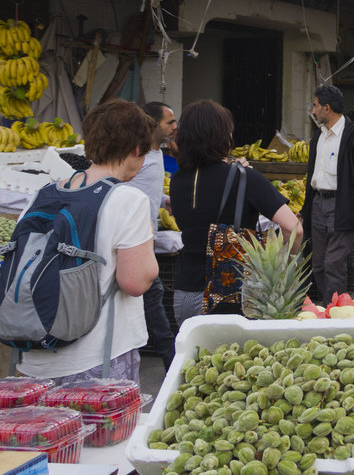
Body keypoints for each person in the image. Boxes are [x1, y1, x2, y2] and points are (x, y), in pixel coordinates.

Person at [17, 99, 158, 384]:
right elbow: (134, 282)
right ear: (135, 150)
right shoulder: (128, 199)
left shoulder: (43, 194)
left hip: (31, 359)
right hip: (95, 360)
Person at [169, 100, 301, 325]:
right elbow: (294, 229)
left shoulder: (177, 180)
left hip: (183, 294)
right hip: (228, 296)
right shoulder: (244, 178)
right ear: (223, 136)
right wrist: (282, 265)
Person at [302, 85, 354, 301]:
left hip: (342, 205)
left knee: (334, 263)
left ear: (327, 108)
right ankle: (330, 303)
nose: (313, 111)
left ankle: (337, 311)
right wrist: (305, 209)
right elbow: (312, 175)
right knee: (318, 263)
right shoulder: (318, 136)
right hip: (318, 204)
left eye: (315, 106)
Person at [125, 101, 176, 370]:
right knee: (153, 303)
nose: (174, 127)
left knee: (151, 304)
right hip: (133, 243)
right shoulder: (138, 154)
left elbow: (146, 190)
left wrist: (164, 199)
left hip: (147, 241)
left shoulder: (156, 154)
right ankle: (172, 362)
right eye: (169, 122)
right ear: (152, 123)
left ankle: (169, 359)